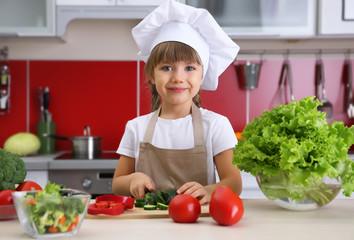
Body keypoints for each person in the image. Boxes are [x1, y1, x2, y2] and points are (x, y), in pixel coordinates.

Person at [112, 0, 242, 204]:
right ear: (151, 75)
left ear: (202, 76)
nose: (178, 78)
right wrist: (132, 180)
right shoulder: (136, 127)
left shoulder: (216, 125)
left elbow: (234, 182)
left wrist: (209, 190)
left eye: (189, 68)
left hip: (199, 225)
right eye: (166, 67)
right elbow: (117, 182)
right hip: (147, 227)